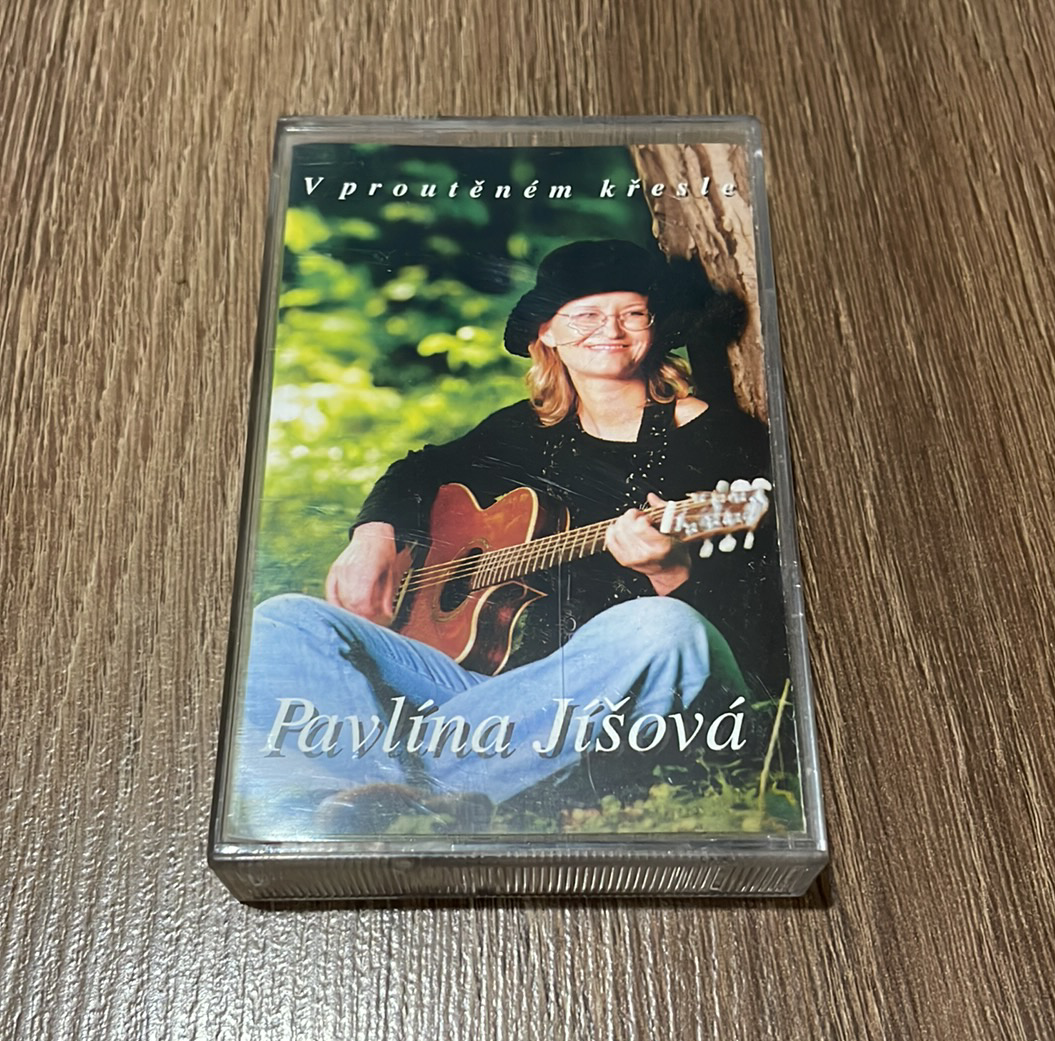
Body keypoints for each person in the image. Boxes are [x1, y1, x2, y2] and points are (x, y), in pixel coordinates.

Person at [231, 240, 783, 838]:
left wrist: (669, 573)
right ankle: (399, 794)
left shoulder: (720, 439)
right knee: (286, 619)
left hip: (605, 691)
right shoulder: (523, 431)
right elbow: (419, 469)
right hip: (496, 698)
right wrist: (373, 535)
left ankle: (389, 798)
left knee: (662, 627)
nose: (610, 331)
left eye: (632, 313)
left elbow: (756, 627)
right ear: (548, 332)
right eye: (586, 315)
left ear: (656, 326)